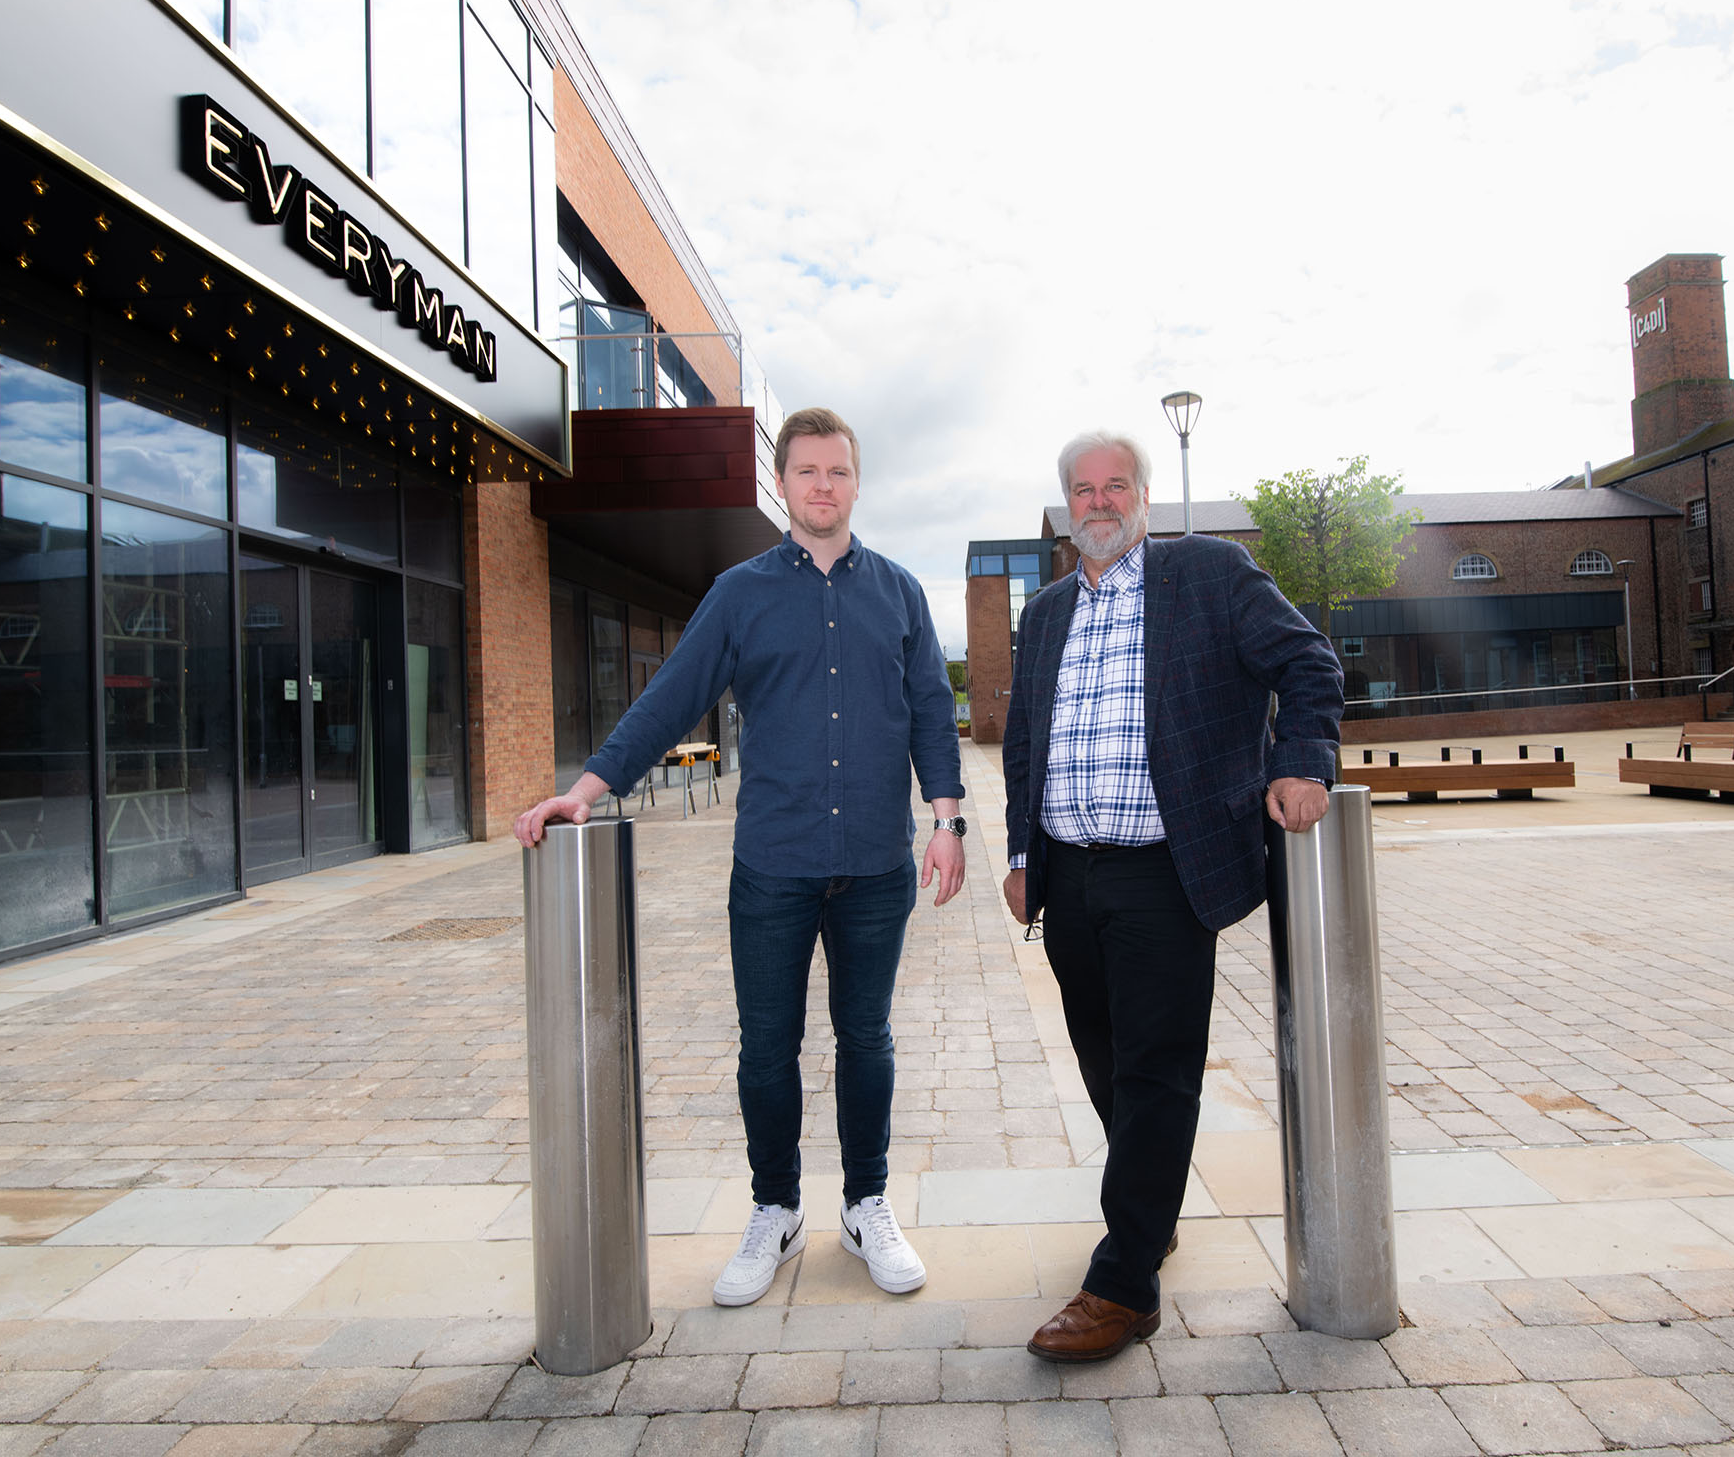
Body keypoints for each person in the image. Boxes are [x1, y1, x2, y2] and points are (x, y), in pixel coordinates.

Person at [515, 407, 966, 1308]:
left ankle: (866, 1204)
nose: (823, 487)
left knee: (867, 1037)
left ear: (855, 481)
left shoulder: (902, 593)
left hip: (877, 864)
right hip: (773, 863)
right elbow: (670, 696)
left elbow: (927, 708)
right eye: (806, 472)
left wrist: (947, 821)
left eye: (837, 471)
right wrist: (588, 789)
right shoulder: (739, 591)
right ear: (783, 483)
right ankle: (777, 1208)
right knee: (767, 1047)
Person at [1002, 429, 1343, 1362]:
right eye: (1084, 489)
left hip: (1166, 868)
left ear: (1143, 497)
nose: (1100, 502)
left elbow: (1310, 664)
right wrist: (1020, 854)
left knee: (1157, 1068)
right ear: (1067, 505)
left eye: (1117, 486)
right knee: (1102, 1056)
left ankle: (1125, 1281)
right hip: (1068, 872)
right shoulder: (1043, 615)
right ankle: (1151, 1208)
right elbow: (1026, 744)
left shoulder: (1210, 575)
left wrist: (1303, 761)